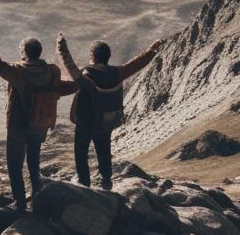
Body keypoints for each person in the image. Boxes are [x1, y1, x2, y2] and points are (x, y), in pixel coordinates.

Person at [0, 15, 77, 211]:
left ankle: (21, 204)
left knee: (15, 167)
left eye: (20, 51)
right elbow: (62, 88)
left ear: (24, 52)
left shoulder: (18, 71)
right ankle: (38, 196)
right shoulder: (52, 71)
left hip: (18, 126)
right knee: (34, 162)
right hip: (41, 125)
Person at [57, 33, 164, 191]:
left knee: (81, 152)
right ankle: (106, 181)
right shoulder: (118, 72)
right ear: (108, 56)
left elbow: (70, 65)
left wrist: (62, 46)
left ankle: (84, 182)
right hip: (106, 120)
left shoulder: (86, 75)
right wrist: (152, 50)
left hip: (86, 121)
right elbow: (138, 63)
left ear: (92, 56)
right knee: (104, 151)